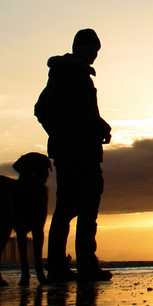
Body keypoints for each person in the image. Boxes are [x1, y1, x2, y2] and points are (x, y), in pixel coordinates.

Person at [36, 29, 113, 281]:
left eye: (97, 51)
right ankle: (83, 266)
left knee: (69, 208)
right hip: (79, 153)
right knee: (84, 208)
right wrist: (99, 127)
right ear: (79, 47)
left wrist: (58, 135)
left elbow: (42, 110)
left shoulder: (63, 73)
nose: (95, 55)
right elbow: (80, 113)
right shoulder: (72, 74)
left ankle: (62, 266)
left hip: (72, 151)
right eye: (92, 49)